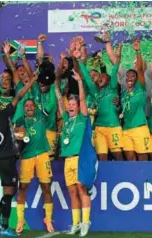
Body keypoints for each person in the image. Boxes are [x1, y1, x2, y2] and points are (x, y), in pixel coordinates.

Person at [0, 73, 37, 237]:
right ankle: (5, 227)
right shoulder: (3, 114)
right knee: (10, 191)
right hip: (7, 158)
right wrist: (31, 83)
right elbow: (19, 96)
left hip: (0, 158)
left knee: (8, 190)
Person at [55, 68, 92, 237]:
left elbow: (83, 100)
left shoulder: (83, 119)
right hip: (67, 160)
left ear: (78, 107)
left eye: (73, 105)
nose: (70, 106)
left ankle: (85, 223)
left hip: (79, 159)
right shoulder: (66, 121)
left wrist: (79, 82)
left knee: (81, 189)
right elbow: (59, 100)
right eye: (69, 104)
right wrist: (55, 85)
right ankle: (76, 223)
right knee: (71, 192)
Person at [14, 99, 54, 234]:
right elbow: (16, 137)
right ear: (24, 108)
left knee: (46, 187)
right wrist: (19, 136)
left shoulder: (41, 116)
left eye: (31, 105)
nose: (29, 108)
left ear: (35, 107)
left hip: (42, 154)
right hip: (27, 157)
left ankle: (48, 219)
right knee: (23, 188)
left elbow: (52, 102)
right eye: (27, 106)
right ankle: (20, 220)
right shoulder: (20, 120)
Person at [77, 44, 123, 161]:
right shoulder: (95, 92)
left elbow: (114, 70)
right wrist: (79, 59)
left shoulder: (112, 88)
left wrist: (118, 56)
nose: (100, 78)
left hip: (114, 127)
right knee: (101, 157)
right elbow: (87, 78)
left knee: (118, 156)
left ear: (108, 80)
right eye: (99, 77)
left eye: (103, 76)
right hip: (99, 128)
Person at [120, 39, 150, 161]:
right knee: (130, 161)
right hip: (126, 129)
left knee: (143, 159)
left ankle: (146, 180)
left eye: (133, 76)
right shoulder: (123, 93)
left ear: (137, 79)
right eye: (128, 76)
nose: (129, 77)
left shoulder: (140, 89)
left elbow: (140, 70)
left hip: (139, 128)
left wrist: (138, 51)